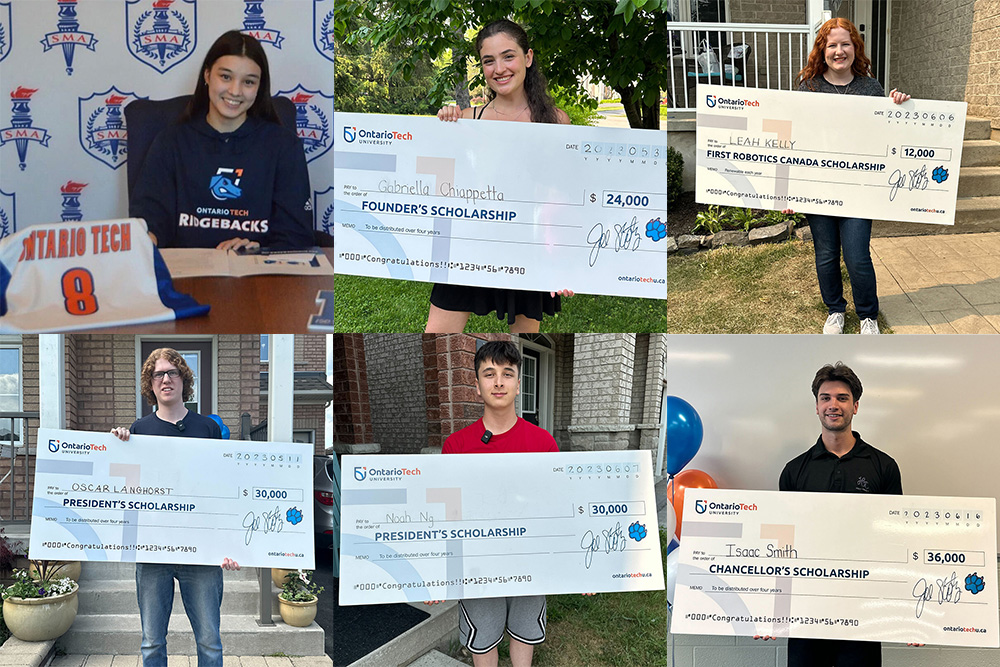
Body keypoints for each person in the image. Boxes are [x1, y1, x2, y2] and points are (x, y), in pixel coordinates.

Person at [425, 340, 592, 667]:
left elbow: (559, 508)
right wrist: (438, 572)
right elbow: (447, 513)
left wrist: (585, 569)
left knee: (523, 633)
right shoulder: (456, 446)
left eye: (507, 373)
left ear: (518, 384)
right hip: (478, 563)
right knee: (483, 636)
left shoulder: (543, 443)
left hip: (530, 558)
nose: (498, 381)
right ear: (476, 386)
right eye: (489, 374)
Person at [428, 19, 573, 334]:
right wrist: (445, 123)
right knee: (437, 336)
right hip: (471, 245)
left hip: (528, 248)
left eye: (508, 56)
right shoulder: (467, 120)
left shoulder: (556, 121)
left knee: (520, 343)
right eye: (488, 60)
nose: (499, 68)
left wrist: (562, 260)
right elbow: (442, 181)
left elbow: (561, 195)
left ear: (528, 58)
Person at [757, 362, 904, 666]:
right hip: (806, 610)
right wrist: (770, 609)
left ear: (856, 406)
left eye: (842, 398)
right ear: (816, 406)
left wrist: (910, 613)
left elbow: (896, 543)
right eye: (825, 398)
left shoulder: (883, 466)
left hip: (863, 609)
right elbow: (782, 547)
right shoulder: (795, 470)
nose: (833, 405)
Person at [111, 348, 240, 667]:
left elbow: (223, 490)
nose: (165, 379)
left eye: (172, 372)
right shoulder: (137, 431)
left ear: (184, 380)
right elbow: (128, 491)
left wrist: (230, 544)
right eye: (158, 374)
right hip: (153, 554)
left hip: (202, 553)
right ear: (150, 385)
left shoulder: (207, 429)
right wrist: (115, 448)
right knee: (152, 643)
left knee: (210, 643)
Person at [129, 30, 313, 251]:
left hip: (256, 276)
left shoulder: (284, 146)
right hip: (186, 275)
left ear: (259, 87)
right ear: (207, 76)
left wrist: (257, 251)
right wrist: (146, 240)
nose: (235, 91)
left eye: (248, 82)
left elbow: (296, 238)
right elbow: (150, 220)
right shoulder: (171, 141)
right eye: (225, 77)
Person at [787, 18, 911, 335]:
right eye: (832, 45)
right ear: (822, 50)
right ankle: (836, 310)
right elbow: (795, 141)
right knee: (826, 255)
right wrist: (789, 191)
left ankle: (868, 314)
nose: (839, 51)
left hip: (858, 188)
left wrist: (899, 108)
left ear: (856, 47)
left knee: (857, 256)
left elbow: (885, 136)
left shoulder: (871, 88)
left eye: (846, 44)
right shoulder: (809, 88)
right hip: (819, 188)